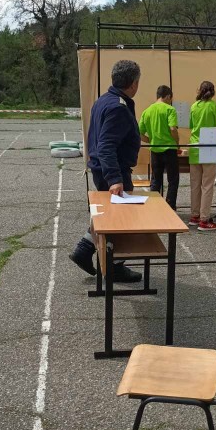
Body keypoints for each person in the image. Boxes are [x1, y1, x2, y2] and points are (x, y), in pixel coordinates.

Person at [69, 59, 143, 283]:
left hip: (105, 169)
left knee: (106, 217)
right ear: (133, 83)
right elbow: (106, 145)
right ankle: (115, 267)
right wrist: (115, 179)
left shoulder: (104, 100)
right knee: (119, 222)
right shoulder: (117, 107)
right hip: (113, 171)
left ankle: (84, 249)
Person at [139, 85, 179, 210]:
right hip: (169, 149)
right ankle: (170, 206)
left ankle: (153, 207)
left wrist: (150, 140)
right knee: (172, 180)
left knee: (156, 180)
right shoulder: (169, 109)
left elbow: (139, 133)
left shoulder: (147, 111)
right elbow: (173, 128)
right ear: (167, 96)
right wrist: (176, 141)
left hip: (155, 150)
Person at [188, 81, 216, 231]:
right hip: (210, 146)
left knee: (195, 184)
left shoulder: (194, 106)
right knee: (207, 185)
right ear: (213, 92)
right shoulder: (214, 106)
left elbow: (191, 125)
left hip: (194, 146)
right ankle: (204, 218)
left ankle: (194, 216)